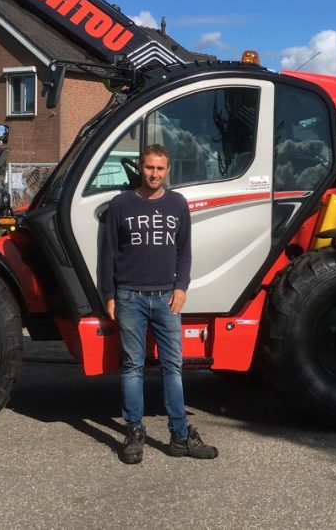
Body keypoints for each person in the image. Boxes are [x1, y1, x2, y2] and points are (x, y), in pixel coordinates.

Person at [97, 143, 218, 464]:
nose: (154, 174)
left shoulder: (177, 204)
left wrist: (181, 287)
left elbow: (184, 250)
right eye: (149, 167)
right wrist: (108, 294)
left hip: (167, 298)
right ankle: (134, 432)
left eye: (160, 169)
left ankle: (179, 436)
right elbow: (107, 252)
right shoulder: (121, 204)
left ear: (168, 170)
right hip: (129, 297)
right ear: (141, 167)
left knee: (172, 368)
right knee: (133, 368)